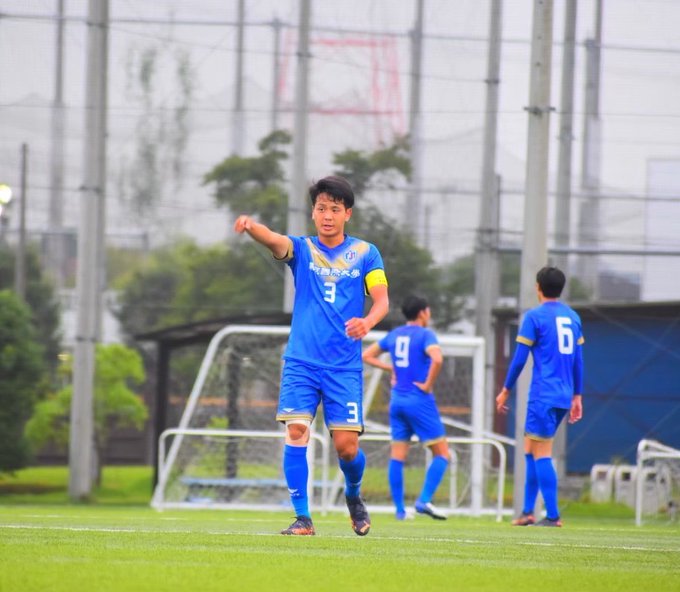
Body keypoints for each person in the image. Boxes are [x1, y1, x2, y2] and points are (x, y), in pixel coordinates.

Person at [233, 175, 389, 536]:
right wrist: (251, 226)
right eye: (321, 208)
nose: (327, 215)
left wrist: (367, 322)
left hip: (344, 367)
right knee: (297, 430)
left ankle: (353, 495)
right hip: (301, 362)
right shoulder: (302, 250)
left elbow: (381, 300)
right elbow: (275, 239)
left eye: (335, 209)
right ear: (313, 213)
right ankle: (303, 518)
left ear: (347, 213)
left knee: (347, 449)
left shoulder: (366, 253)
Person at [496, 266, 584, 527]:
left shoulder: (534, 317)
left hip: (543, 394)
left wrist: (505, 389)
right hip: (564, 394)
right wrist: (577, 396)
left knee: (541, 451)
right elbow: (579, 361)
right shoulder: (573, 317)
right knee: (530, 448)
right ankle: (527, 512)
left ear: (538, 287)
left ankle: (553, 515)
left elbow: (519, 359)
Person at [362, 294, 450, 521]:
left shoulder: (395, 334)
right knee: (442, 453)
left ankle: (400, 511)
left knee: (398, 456)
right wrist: (428, 384)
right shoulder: (425, 334)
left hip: (397, 401)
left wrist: (391, 370)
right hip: (418, 399)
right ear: (423, 313)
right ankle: (423, 501)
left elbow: (366, 355)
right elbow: (438, 359)